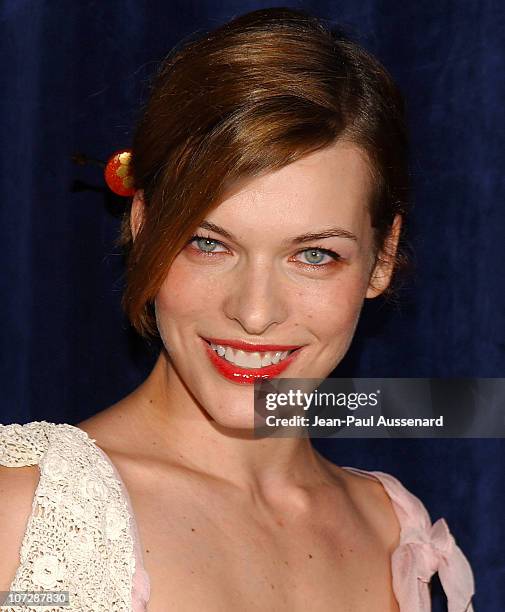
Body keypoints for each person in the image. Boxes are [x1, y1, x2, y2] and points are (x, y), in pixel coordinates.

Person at [0, 7, 475, 612]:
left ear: (381, 259)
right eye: (209, 244)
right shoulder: (22, 513)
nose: (254, 313)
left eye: (314, 256)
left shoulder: (392, 529)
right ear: (143, 227)